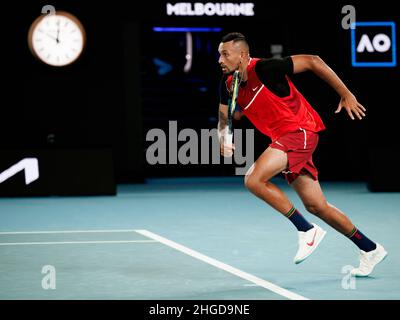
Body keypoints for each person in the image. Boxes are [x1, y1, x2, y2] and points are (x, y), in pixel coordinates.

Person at [217, 32, 387, 276]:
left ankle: (306, 230)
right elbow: (224, 116)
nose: (220, 59)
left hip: (300, 131)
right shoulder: (228, 84)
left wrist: (346, 93)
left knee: (253, 179)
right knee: (317, 205)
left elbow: (313, 60)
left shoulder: (266, 68)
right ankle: (370, 248)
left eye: (225, 54)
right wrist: (224, 138)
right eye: (219, 54)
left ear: (242, 55)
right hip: (286, 139)